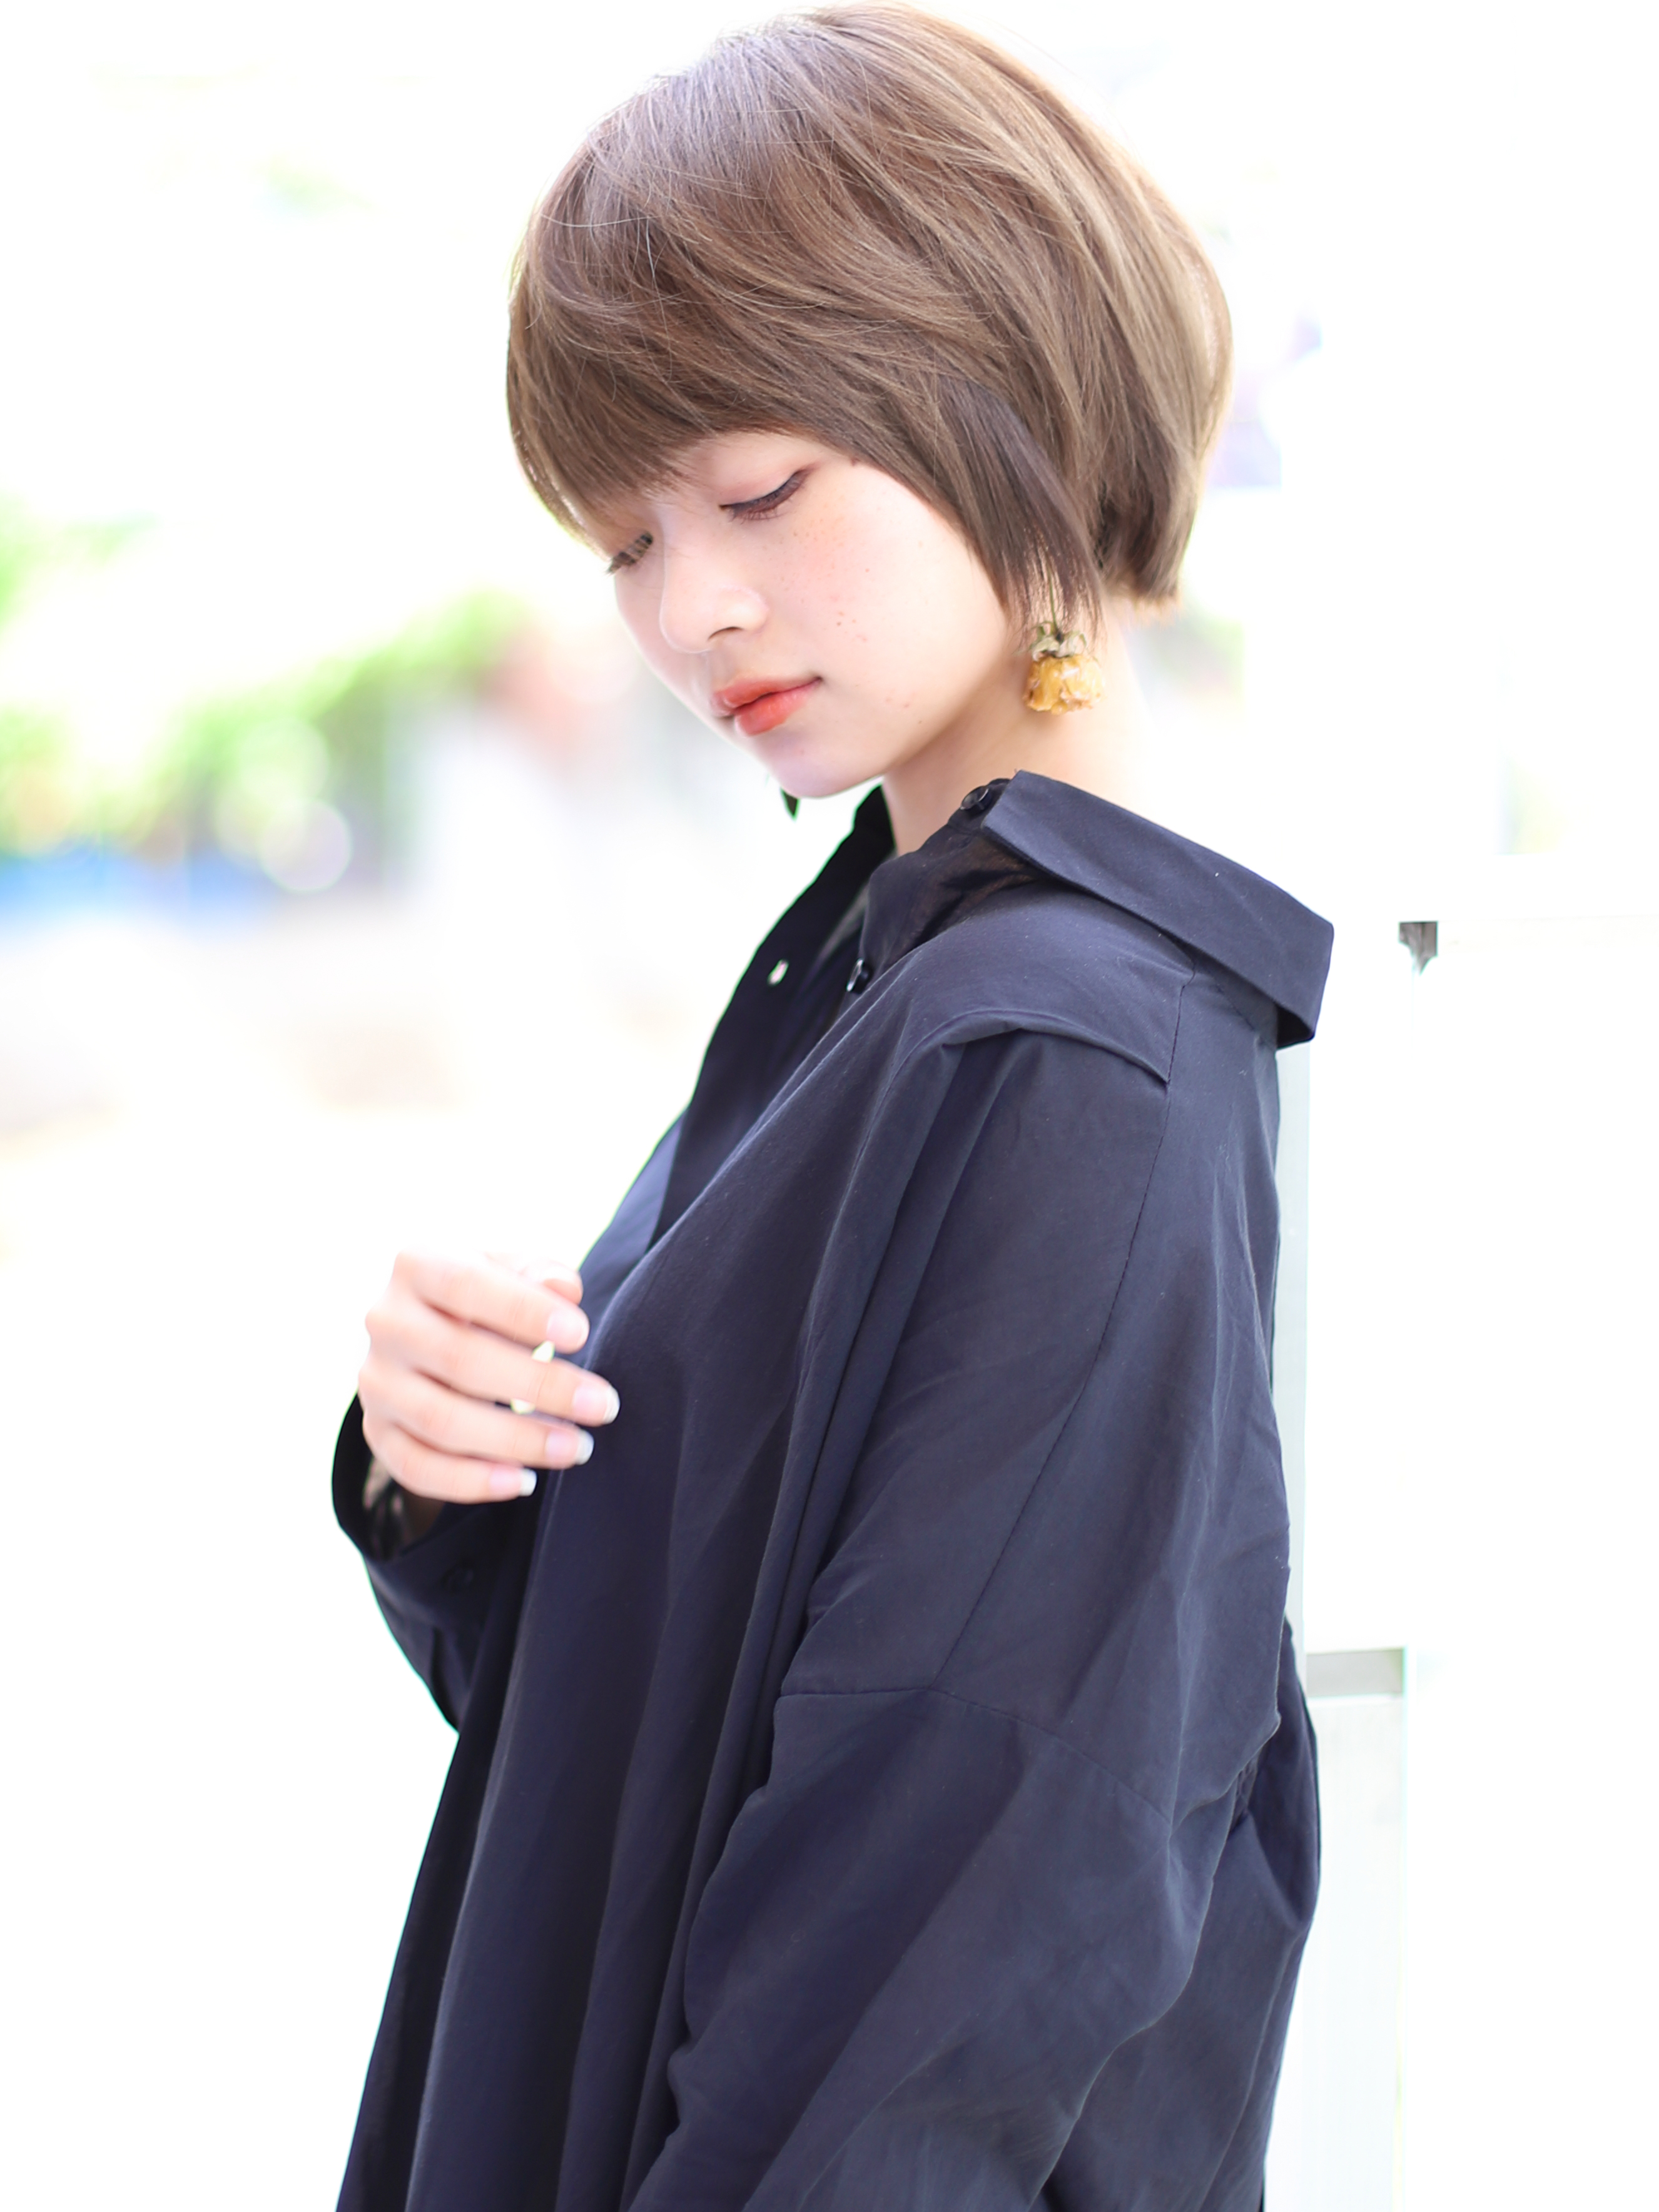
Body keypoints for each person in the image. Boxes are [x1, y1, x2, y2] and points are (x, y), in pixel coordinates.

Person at [333, 9, 1332, 2208]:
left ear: (1011, 389)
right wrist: (448, 1462)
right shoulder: (889, 969)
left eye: (764, 488)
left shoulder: (1057, 1041)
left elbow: (953, 1943)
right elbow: (652, 1735)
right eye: (622, 540)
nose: (691, 606)